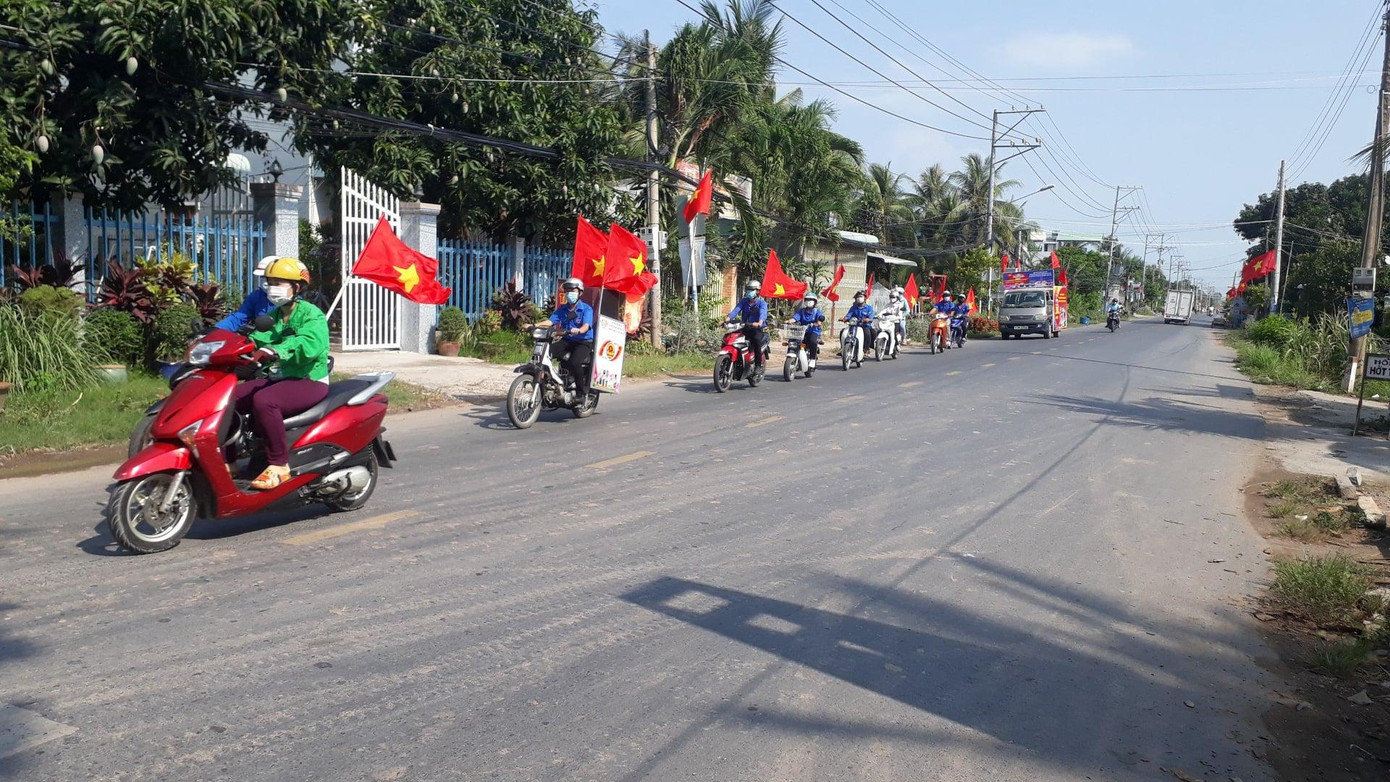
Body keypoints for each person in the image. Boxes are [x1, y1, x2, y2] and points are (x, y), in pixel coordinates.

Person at [236, 257, 331, 490]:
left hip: (309, 379)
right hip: (281, 377)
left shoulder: (312, 314)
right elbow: (259, 338)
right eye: (270, 282)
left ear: (297, 287)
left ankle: (279, 466)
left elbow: (309, 343)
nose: (272, 287)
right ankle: (228, 461)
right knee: (229, 396)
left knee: (264, 401)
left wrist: (276, 350)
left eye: (279, 282)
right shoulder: (276, 315)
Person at [544, 277, 595, 401]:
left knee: (574, 363)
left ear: (580, 292)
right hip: (567, 340)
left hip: (583, 342)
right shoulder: (563, 309)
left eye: (572, 290)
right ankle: (549, 384)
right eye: (567, 291)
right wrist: (532, 325)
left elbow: (585, 326)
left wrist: (579, 330)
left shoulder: (586, 309)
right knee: (546, 352)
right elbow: (549, 322)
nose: (569, 293)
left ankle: (581, 393)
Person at [214, 256, 279, 332]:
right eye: (262, 277)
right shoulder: (257, 297)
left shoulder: (292, 300)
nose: (265, 281)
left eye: (269, 278)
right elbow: (238, 318)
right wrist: (216, 329)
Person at [727, 280, 769, 369]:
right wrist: (727, 319)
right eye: (748, 289)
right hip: (744, 327)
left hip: (756, 329)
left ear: (758, 291)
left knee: (757, 341)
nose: (749, 291)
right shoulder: (744, 301)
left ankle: (758, 365)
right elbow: (736, 310)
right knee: (730, 337)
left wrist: (759, 323)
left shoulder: (762, 303)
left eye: (752, 289)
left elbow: (763, 313)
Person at [787, 292, 826, 375]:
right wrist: (790, 321)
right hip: (801, 331)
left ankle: (812, 359)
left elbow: (820, 318)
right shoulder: (801, 311)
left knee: (812, 341)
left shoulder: (816, 311)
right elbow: (795, 318)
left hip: (813, 331)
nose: (809, 301)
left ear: (815, 302)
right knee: (793, 341)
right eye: (807, 299)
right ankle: (793, 355)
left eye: (811, 300)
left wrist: (818, 322)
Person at [843, 289, 876, 355]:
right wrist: (844, 318)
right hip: (854, 326)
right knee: (843, 332)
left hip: (865, 326)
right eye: (858, 297)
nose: (859, 298)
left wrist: (868, 319)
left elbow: (871, 317)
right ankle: (843, 349)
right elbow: (849, 315)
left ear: (864, 298)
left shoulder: (869, 308)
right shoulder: (854, 307)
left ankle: (866, 349)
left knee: (867, 334)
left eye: (861, 296)